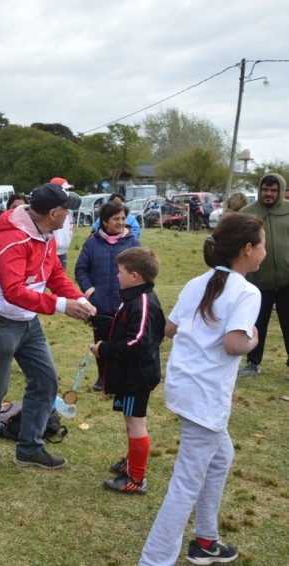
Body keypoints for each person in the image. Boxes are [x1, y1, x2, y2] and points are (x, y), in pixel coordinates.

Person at [140, 213, 264, 565]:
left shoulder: (199, 282)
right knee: (185, 484)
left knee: (221, 457)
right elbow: (234, 344)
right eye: (263, 245)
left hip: (183, 389)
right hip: (204, 398)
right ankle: (154, 560)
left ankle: (205, 540)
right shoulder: (246, 291)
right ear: (248, 249)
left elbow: (171, 329)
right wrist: (254, 339)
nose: (265, 252)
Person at [0, 182, 95, 468]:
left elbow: (54, 276)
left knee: (45, 380)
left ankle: (29, 448)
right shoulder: (11, 240)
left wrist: (79, 298)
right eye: (66, 211)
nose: (69, 216)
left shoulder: (47, 235)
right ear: (53, 213)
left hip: (27, 321)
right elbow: (12, 291)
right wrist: (63, 306)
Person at [89, 248, 164, 495]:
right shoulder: (133, 298)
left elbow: (138, 341)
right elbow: (127, 327)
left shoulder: (142, 302)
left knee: (136, 422)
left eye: (120, 271)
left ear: (135, 276)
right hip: (130, 374)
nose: (116, 275)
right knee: (130, 420)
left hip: (137, 377)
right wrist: (102, 321)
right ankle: (132, 461)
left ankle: (136, 478)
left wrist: (105, 349)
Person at [75, 200, 141, 391]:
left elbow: (140, 270)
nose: (121, 222)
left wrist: (131, 294)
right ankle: (102, 378)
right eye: (116, 219)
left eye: (123, 218)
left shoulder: (132, 242)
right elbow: (81, 269)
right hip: (100, 304)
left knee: (123, 342)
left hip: (124, 304)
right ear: (104, 221)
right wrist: (90, 291)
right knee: (101, 341)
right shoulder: (92, 243)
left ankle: (121, 377)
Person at [237, 173, 289, 377]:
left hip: (287, 281)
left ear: (281, 191)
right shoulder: (247, 213)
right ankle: (253, 362)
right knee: (256, 323)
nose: (268, 194)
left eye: (273, 190)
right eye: (265, 189)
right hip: (257, 282)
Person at [50, 177, 76, 268]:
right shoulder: (49, 208)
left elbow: (70, 225)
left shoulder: (69, 209)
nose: (67, 192)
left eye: (68, 189)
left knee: (61, 277)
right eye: (65, 189)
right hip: (51, 252)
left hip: (63, 250)